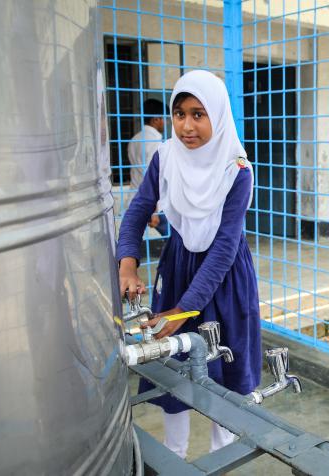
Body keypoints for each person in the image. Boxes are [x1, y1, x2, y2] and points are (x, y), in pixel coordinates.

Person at [116, 70, 261, 459]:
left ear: (218, 114)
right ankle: (174, 453)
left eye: (199, 114)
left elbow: (225, 245)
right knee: (171, 361)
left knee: (225, 365)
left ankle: (221, 453)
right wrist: (126, 265)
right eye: (179, 113)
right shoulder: (165, 158)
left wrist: (185, 309)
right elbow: (137, 213)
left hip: (225, 275)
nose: (186, 126)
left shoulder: (237, 169)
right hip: (178, 269)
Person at [128, 99, 170, 237]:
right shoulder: (155, 143)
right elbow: (153, 177)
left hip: (134, 197)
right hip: (152, 203)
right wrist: (154, 210)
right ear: (156, 119)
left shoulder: (134, 139)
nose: (166, 122)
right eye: (164, 118)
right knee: (177, 238)